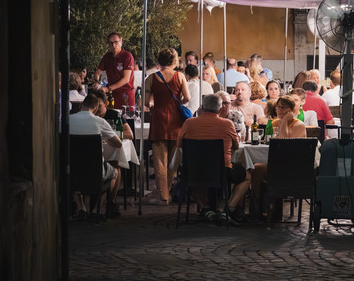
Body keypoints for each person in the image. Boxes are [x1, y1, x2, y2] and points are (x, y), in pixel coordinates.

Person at [177, 94, 250, 224]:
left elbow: (180, 144)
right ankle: (229, 208)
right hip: (222, 171)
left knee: (187, 177)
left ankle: (205, 209)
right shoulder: (227, 124)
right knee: (247, 175)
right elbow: (236, 145)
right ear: (220, 109)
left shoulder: (189, 123)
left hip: (195, 170)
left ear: (202, 107)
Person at [143, 48, 191, 205]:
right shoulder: (180, 76)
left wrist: (153, 106)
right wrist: (178, 102)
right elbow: (187, 98)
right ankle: (168, 190)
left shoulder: (151, 78)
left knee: (159, 160)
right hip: (176, 120)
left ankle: (163, 195)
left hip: (158, 119)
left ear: (159, 60)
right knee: (172, 160)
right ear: (174, 61)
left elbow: (145, 102)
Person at [248, 96, 306, 221]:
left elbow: (285, 144)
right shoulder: (274, 122)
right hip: (275, 162)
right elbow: (267, 139)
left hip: (291, 166)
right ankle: (257, 207)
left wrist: (284, 122)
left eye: (283, 107)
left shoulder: (298, 125)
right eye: (278, 107)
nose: (279, 110)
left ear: (291, 110)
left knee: (258, 169)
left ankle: (266, 208)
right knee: (255, 169)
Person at [68, 94, 124, 219]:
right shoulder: (100, 121)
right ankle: (95, 210)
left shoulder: (68, 120)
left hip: (71, 169)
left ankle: (81, 207)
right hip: (94, 170)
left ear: (82, 105)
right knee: (114, 172)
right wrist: (105, 138)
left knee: (75, 169)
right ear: (95, 108)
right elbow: (118, 143)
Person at [94, 32, 136, 109]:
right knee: (111, 115)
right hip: (112, 95)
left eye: (116, 42)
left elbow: (126, 79)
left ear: (121, 42)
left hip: (125, 95)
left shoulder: (127, 56)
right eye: (111, 43)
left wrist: (107, 88)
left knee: (127, 116)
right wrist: (96, 82)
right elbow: (97, 72)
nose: (113, 45)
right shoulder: (107, 57)